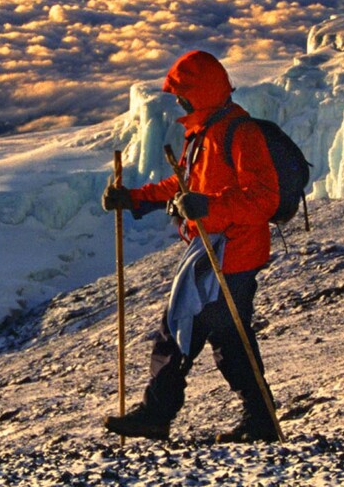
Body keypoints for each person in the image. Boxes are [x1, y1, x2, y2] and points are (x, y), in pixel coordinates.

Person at [101, 50, 281, 443]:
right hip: (214, 249)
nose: (179, 103)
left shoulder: (239, 132)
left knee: (182, 326)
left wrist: (209, 206)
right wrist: (133, 198)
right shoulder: (204, 132)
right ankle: (258, 419)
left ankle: (158, 413)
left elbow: (264, 197)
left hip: (234, 252)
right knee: (227, 337)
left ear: (199, 93)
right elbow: (182, 187)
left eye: (183, 95)